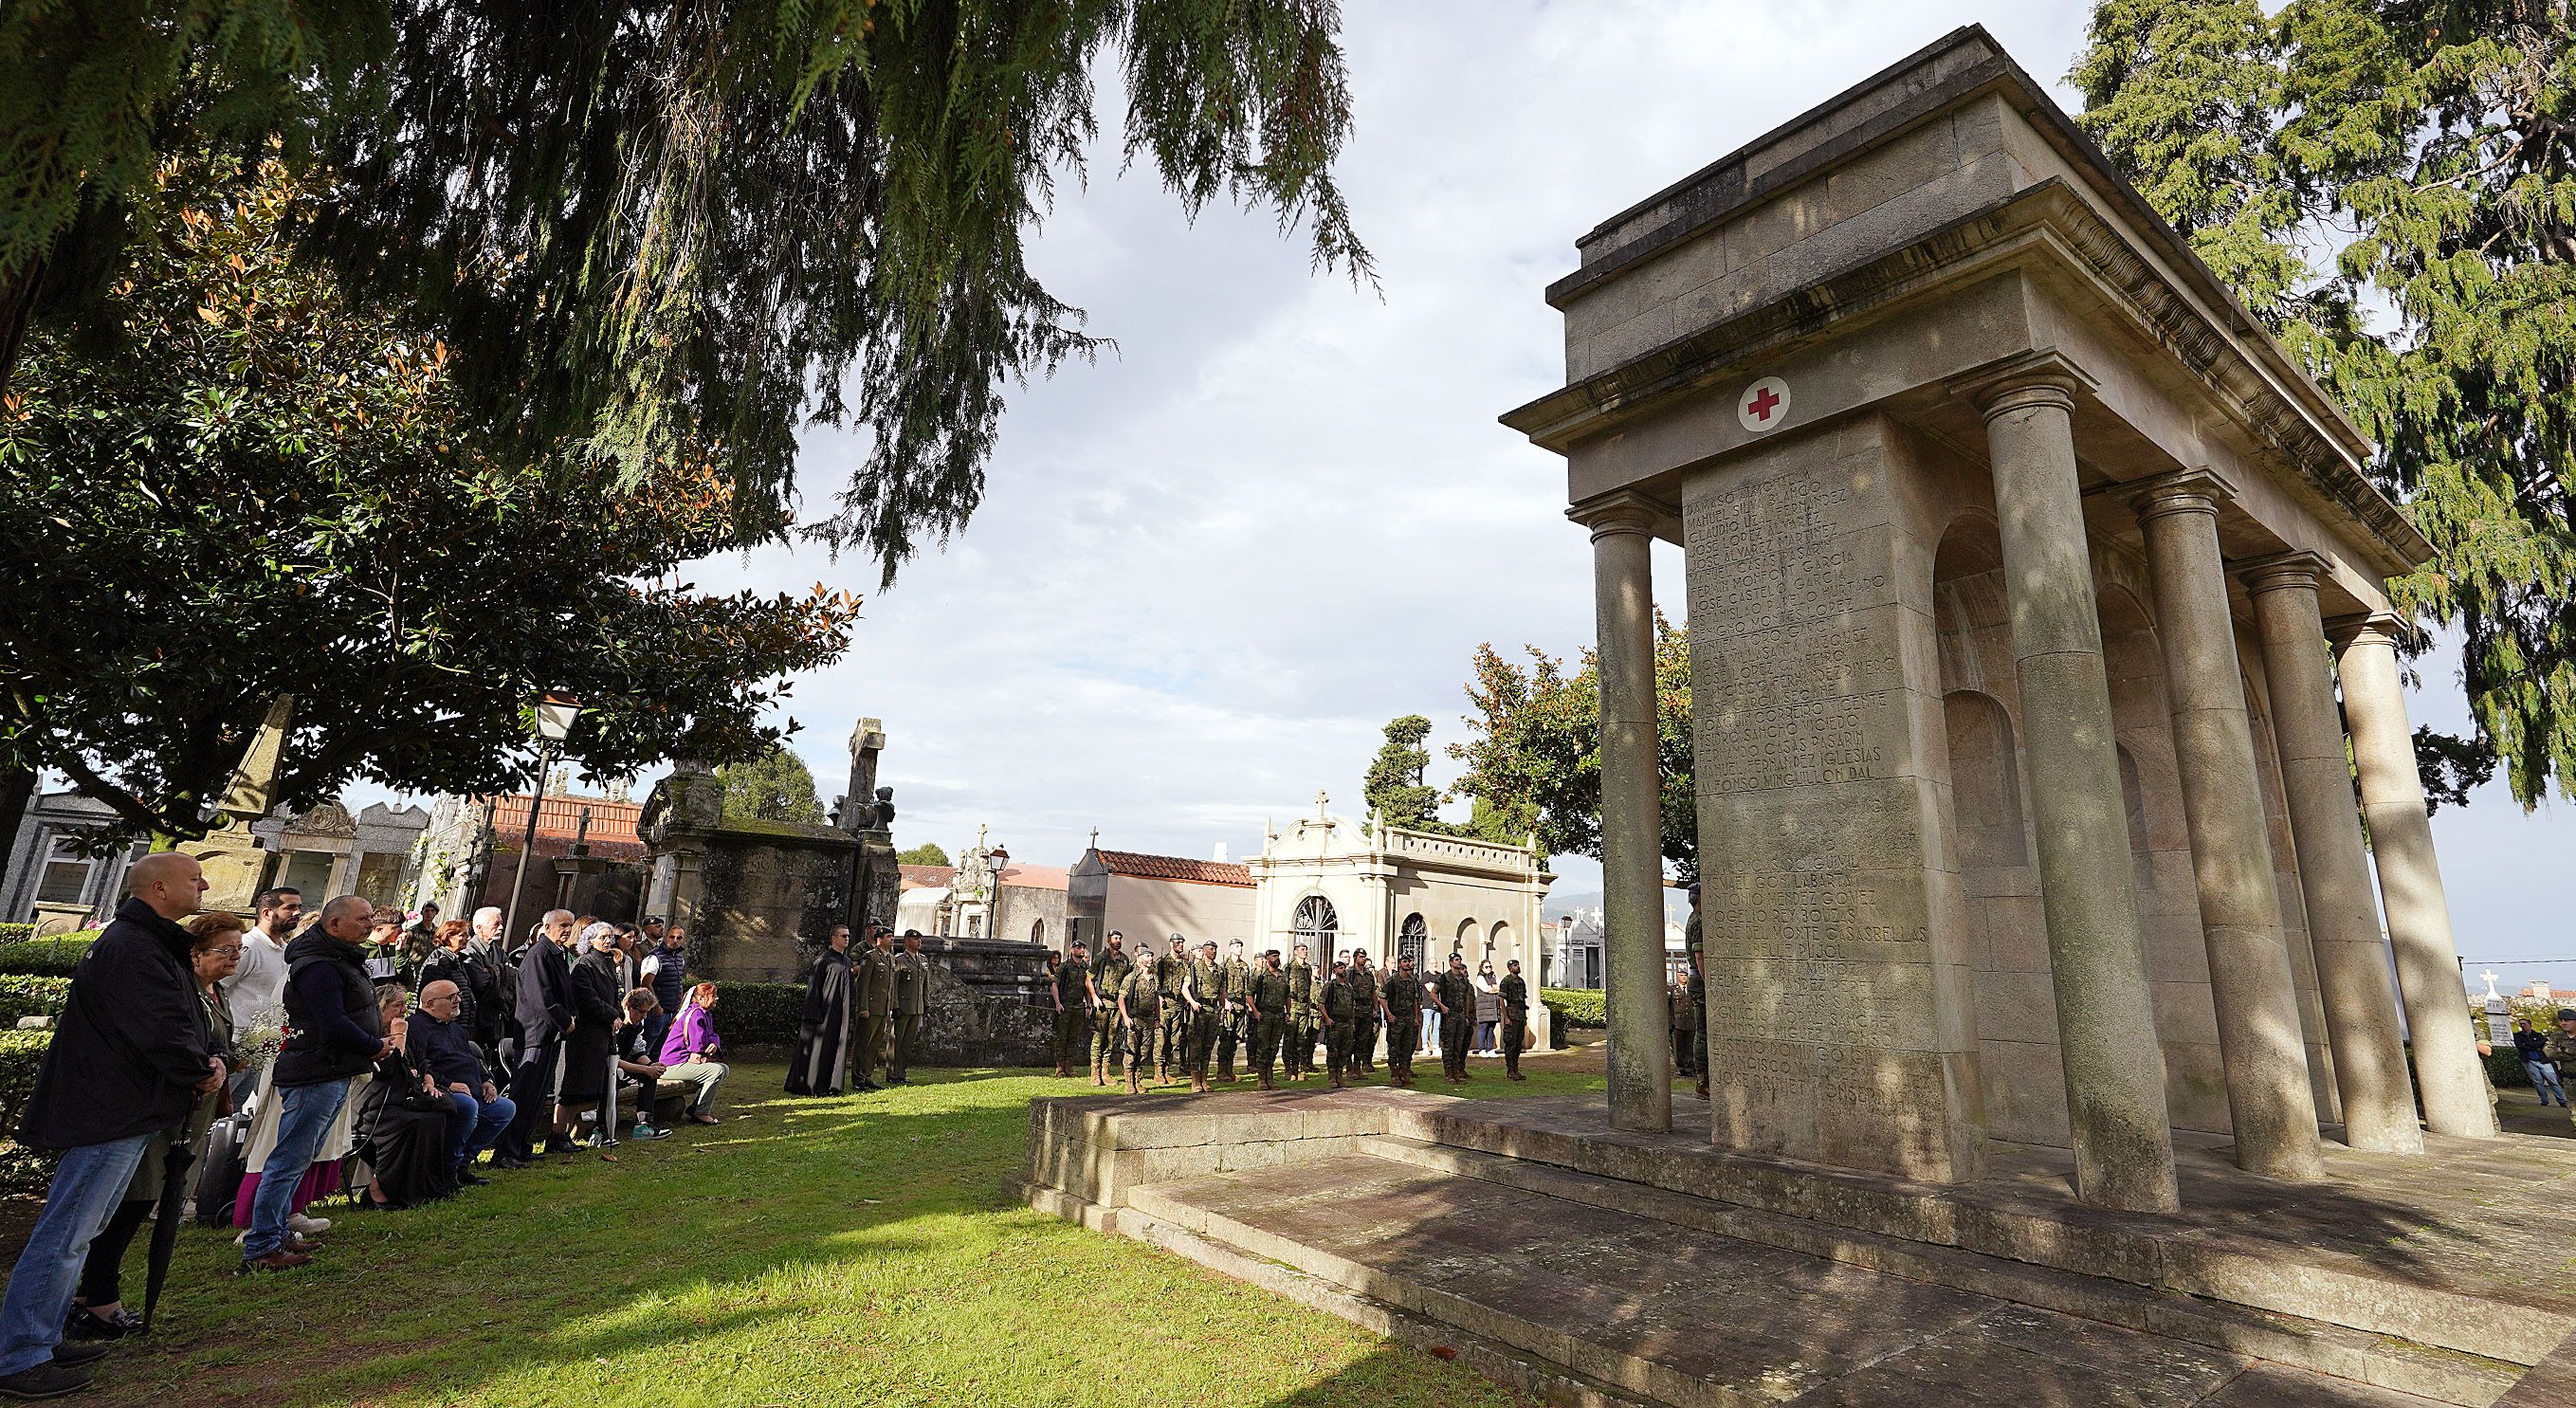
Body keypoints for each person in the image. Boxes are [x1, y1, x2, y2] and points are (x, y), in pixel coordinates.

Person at [0, 853, 222, 1397]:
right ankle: (17, 1354)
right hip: (112, 1109)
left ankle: (42, 1336)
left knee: (80, 1231)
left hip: (123, 1106)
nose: (205, 884)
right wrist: (198, 1069)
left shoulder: (144, 942)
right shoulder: (133, 946)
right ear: (161, 888)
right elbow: (158, 1025)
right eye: (194, 879)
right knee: (67, 1234)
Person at [64, 911, 241, 1344]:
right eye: (226, 950)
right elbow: (171, 1042)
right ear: (195, 955)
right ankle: (95, 1297)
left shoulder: (216, 994)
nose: (234, 958)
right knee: (131, 1204)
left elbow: (215, 1044)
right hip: (163, 1114)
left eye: (239, 950)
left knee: (145, 1202)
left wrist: (227, 1062)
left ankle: (99, 1295)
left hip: (193, 1114)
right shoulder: (182, 992)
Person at [246, 893, 390, 1272]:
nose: (370, 925)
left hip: (331, 1068)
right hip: (315, 1070)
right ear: (334, 925)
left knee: (298, 1157)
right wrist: (372, 1046)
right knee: (288, 1159)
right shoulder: (320, 965)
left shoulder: (337, 958)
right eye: (362, 919)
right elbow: (332, 1021)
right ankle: (262, 1244)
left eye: (371, 917)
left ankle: (277, 1233)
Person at [354, 986, 459, 1209]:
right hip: (371, 1104)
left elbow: (422, 1060)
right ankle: (379, 1188)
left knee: (436, 1117)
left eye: (405, 1004)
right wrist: (398, 1036)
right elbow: (389, 1070)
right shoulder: (370, 1034)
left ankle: (424, 1188)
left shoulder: (402, 1028)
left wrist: (428, 1081)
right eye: (397, 1005)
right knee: (410, 1124)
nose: (403, 1010)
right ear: (381, 1007)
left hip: (399, 1099)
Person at [407, 979, 515, 1182]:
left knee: (505, 1108)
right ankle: (446, 1169)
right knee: (468, 1107)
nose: (458, 1000)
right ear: (430, 1004)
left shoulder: (455, 1028)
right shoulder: (416, 1028)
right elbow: (420, 1065)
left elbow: (470, 1059)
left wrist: (485, 1080)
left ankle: (461, 1164)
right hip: (441, 1093)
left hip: (472, 1091)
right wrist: (447, 1084)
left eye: (458, 995)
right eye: (451, 997)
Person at [499, 909, 577, 1164]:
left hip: (549, 1034)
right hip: (534, 1034)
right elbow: (541, 998)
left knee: (537, 1095)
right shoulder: (538, 955)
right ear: (547, 926)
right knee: (524, 1094)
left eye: (570, 925)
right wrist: (565, 1021)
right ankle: (506, 1151)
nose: (567, 930)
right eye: (562, 925)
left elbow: (564, 994)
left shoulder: (556, 954)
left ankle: (522, 1146)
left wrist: (570, 1016)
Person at [219, 886, 301, 1105]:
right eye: (290, 907)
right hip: (234, 1046)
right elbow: (216, 988)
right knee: (211, 1111)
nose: (297, 913)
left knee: (230, 1114)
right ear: (266, 913)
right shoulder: (248, 946)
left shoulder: (286, 949)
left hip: (259, 1049)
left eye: (299, 907)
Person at [556, 924, 626, 1148]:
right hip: (583, 1035)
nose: (607, 941)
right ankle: (558, 1134)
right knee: (570, 1088)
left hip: (599, 1036)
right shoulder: (584, 964)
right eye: (602, 937)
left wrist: (618, 1014)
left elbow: (614, 995)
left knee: (583, 1089)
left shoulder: (607, 963)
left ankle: (567, 1134)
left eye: (609, 937)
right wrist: (612, 1015)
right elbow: (587, 998)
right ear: (590, 940)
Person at [788, 926, 855, 1097]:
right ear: (834, 938)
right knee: (820, 1049)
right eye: (843, 936)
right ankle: (814, 1085)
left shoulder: (847, 961)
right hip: (824, 1013)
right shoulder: (824, 960)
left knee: (836, 1047)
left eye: (848, 936)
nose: (847, 939)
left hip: (840, 1014)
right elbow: (814, 988)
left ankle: (833, 1085)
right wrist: (814, 1013)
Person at [654, 982, 731, 1125]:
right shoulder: (695, 1015)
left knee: (724, 1069)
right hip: (671, 1065)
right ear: (701, 998)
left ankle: (696, 1107)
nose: (716, 999)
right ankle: (701, 1112)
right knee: (717, 1071)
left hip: (681, 1062)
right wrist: (707, 1053)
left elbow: (711, 1035)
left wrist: (714, 1044)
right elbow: (697, 1046)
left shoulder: (703, 1014)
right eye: (713, 996)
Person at [611, 991, 675, 1141]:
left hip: (621, 1069)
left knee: (649, 1076)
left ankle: (644, 1124)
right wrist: (646, 1069)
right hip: (607, 1071)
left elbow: (638, 1052)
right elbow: (614, 1060)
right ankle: (603, 1127)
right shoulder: (615, 1024)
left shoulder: (637, 1026)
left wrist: (652, 1066)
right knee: (622, 1073)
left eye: (647, 1012)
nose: (644, 1017)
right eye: (641, 1012)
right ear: (629, 1007)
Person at [1117, 944, 1165, 1095]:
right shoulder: (1132, 978)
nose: (1150, 959)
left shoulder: (1154, 978)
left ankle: (1138, 1080)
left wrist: (1157, 1018)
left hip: (1149, 1019)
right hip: (1134, 1019)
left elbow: (1156, 1000)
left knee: (1144, 1052)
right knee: (1131, 1051)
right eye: (1147, 956)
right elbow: (1121, 999)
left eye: (1151, 956)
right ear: (1139, 959)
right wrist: (1125, 1017)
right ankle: (1129, 1082)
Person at [1087, 931, 1132, 1088]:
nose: (1118, 941)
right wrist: (1094, 997)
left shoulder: (1124, 960)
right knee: (1098, 1038)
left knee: (1111, 1039)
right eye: (1115, 938)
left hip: (1116, 1004)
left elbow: (1127, 982)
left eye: (1120, 938)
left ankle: (1105, 1071)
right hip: (1102, 1003)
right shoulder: (1101, 958)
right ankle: (1095, 1072)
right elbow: (1089, 979)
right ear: (1108, 940)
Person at [855, 926, 898, 1092]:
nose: (892, 939)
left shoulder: (891, 959)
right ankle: (858, 1078)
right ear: (879, 939)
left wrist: (891, 1007)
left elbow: (890, 986)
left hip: (883, 1009)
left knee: (874, 1045)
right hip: (871, 1009)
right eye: (888, 936)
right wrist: (863, 1008)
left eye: (892, 937)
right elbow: (863, 985)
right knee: (863, 1044)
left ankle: (867, 1076)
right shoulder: (870, 957)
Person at [640, 923, 689, 1057]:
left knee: (659, 1051)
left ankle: (652, 1077)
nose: (675, 940)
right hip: (657, 1011)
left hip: (672, 1010)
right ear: (665, 937)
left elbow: (677, 983)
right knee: (645, 1048)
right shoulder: (655, 957)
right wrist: (656, 1006)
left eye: (679, 938)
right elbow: (645, 983)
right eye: (672, 937)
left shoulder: (679, 959)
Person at [1322, 955, 1372, 1088]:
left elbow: (1352, 1006)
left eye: (1344, 967)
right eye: (1340, 968)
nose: (1343, 970)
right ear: (1334, 970)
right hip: (1335, 1022)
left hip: (1347, 1023)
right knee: (1333, 1051)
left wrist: (1353, 1022)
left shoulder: (1349, 986)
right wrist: (1327, 1018)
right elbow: (1321, 1003)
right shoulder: (1330, 986)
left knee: (1344, 1051)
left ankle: (1340, 1075)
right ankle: (1332, 1077)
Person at [1184, 941, 1224, 1094]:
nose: (1214, 951)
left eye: (1215, 949)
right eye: (1211, 949)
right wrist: (1192, 1002)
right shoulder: (1195, 969)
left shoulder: (1220, 970)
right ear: (1204, 950)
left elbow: (1222, 991)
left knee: (1208, 1046)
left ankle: (1204, 1079)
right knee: (1196, 1046)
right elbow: (1184, 988)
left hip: (1213, 1011)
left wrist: (1222, 1008)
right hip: (1199, 1010)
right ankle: (1195, 1080)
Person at [890, 930, 930, 1084]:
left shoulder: (923, 960)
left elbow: (925, 985)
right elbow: (894, 985)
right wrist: (895, 1006)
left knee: (907, 1044)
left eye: (920, 938)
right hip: (903, 1006)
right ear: (906, 941)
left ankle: (901, 1072)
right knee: (896, 1042)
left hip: (916, 1007)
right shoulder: (900, 959)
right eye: (915, 939)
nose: (919, 941)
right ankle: (892, 1073)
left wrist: (926, 1003)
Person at [1245, 950, 1288, 1089]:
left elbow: (1287, 995)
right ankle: (1261, 1078)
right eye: (1274, 956)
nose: (1277, 959)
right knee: (1263, 1047)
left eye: (1278, 956)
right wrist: (1255, 1011)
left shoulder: (1283, 976)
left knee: (1274, 1047)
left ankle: (1270, 1077)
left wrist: (1288, 1011)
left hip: (1278, 1015)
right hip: (1265, 1014)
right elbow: (1249, 994)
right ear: (1267, 958)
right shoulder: (1260, 976)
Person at [1380, 956, 1423, 1088]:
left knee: (1407, 1048)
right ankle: (1395, 1075)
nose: (1407, 964)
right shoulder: (1392, 981)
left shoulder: (1412, 981)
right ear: (1399, 964)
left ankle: (1404, 1074)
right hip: (1396, 1019)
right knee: (1394, 1048)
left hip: (1409, 1019)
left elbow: (1415, 1000)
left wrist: (1416, 1017)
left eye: (1407, 962)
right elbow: (1382, 998)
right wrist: (1389, 1014)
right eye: (1404, 962)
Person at [1050, 940, 1090, 1078]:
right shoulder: (1064, 966)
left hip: (1079, 1005)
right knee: (1062, 1037)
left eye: (1083, 948)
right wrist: (1057, 1003)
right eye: (1079, 948)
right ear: (1072, 950)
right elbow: (1054, 985)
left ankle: (1069, 1067)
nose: (1082, 950)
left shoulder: (1085, 967)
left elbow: (1087, 988)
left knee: (1074, 1037)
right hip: (1065, 1005)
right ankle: (1060, 1068)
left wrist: (1088, 1005)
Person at [1214, 941, 1251, 1083]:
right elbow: (1220, 987)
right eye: (1237, 946)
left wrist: (1248, 1004)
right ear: (1230, 948)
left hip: (1240, 1007)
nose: (1240, 948)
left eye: (1241, 946)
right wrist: (1224, 1003)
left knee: (1234, 1040)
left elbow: (1247, 988)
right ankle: (1221, 1071)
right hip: (1229, 1007)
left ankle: (1229, 1070)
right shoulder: (1224, 966)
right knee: (1225, 1038)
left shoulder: (1245, 966)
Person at [1155, 938, 1191, 1086]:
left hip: (1177, 1004)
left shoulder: (1184, 964)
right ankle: (1158, 1072)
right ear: (1171, 944)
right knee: (1161, 1039)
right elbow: (1155, 981)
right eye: (1178, 942)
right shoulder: (1162, 962)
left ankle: (1166, 1070)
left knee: (1173, 1039)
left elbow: (1186, 983)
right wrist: (1159, 997)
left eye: (1182, 942)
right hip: (1164, 1005)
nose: (1180, 945)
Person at [1436, 955, 1476, 1085]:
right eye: (1456, 960)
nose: (1459, 962)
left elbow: (1466, 998)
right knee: (1448, 1045)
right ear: (1450, 963)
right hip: (1449, 1015)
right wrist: (1442, 1006)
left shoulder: (1463, 979)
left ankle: (1456, 1071)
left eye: (1460, 960)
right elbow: (1433, 993)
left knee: (1458, 1045)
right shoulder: (1444, 977)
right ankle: (1448, 1073)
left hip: (1460, 1015)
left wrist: (1466, 1014)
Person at [1284, 943, 1318, 1082]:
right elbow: (1286, 989)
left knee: (1300, 1039)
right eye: (1302, 950)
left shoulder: (1308, 968)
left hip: (1304, 1007)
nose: (1305, 952)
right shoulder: (1289, 967)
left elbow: (1309, 988)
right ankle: (1288, 1070)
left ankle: (1296, 1069)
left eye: (1306, 950)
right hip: (1293, 1006)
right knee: (1289, 1039)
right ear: (1295, 951)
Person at [2513, 1018, 2565, 1107]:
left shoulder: (2538, 1035)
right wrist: (2534, 1046)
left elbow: (2542, 1044)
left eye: (2524, 1024)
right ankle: (2544, 1100)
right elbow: (2520, 1046)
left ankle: (2562, 1100)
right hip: (2529, 1060)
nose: (2522, 1025)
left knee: (2553, 1080)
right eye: (2521, 1024)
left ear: (2530, 1025)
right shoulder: (2518, 1036)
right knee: (2537, 1082)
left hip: (2543, 1060)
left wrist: (2527, 1044)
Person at [2544, 1011, 2576, 1129]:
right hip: (2570, 1080)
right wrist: (2568, 1054)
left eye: (2567, 1020)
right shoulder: (2557, 1037)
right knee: (2573, 1111)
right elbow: (2549, 1052)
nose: (2563, 1023)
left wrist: (2563, 1050)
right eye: (2561, 1020)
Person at [362, 908, 406, 991]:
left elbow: (405, 979)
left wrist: (400, 952)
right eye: (396, 928)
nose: (402, 932)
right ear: (379, 929)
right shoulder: (361, 949)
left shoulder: (395, 949)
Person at [1472, 961, 1502, 1055]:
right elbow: (1486, 989)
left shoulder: (1494, 976)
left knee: (1491, 1028)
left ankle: (1490, 1048)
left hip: (1494, 1007)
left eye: (1490, 966)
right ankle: (1482, 1049)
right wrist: (1494, 989)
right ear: (1482, 968)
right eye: (1486, 967)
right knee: (1483, 1027)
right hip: (1484, 1007)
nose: (1489, 968)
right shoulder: (1480, 977)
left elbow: (1501, 987)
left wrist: (1494, 989)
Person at [1418, 968, 1442, 1058]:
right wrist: (1434, 985)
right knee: (1426, 1026)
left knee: (1436, 1027)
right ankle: (1425, 1047)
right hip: (1427, 1005)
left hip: (1438, 1006)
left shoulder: (1440, 975)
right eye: (1432, 964)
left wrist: (1434, 985)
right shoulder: (1426, 975)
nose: (1434, 965)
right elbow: (1430, 989)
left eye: (1435, 963)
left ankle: (1436, 1046)